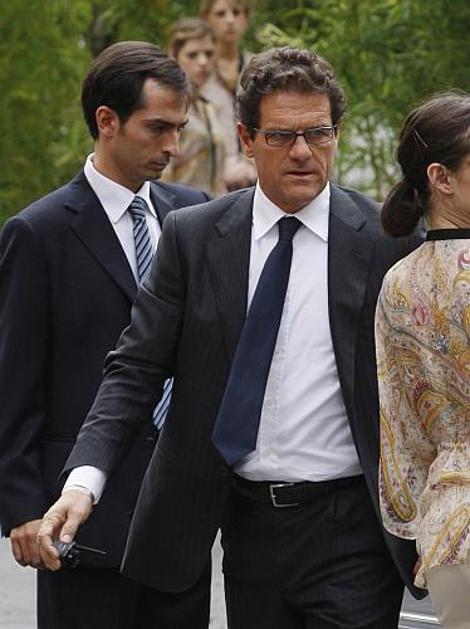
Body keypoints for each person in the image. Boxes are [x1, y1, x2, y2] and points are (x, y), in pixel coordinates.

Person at [39, 47, 421, 628]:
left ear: (337, 133)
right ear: (246, 138)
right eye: (281, 136)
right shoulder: (194, 237)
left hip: (352, 530)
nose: (302, 152)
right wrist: (84, 481)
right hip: (247, 529)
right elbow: (135, 369)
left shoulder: (384, 240)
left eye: (318, 133)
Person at [0, 41, 211, 629]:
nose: (172, 146)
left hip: (180, 518)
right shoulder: (38, 232)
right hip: (78, 519)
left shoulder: (193, 215)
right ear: (107, 121)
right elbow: (14, 381)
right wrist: (21, 506)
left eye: (179, 128)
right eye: (157, 128)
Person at [376, 92, 470, 629]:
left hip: (448, 529)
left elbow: (401, 430)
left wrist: (422, 527)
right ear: (442, 177)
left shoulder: (398, 281)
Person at [162, 18, 227, 197]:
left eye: (209, 54)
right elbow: (161, 175)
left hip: (213, 205)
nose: (203, 61)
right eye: (192, 55)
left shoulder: (208, 107)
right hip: (178, 206)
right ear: (175, 57)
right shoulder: (166, 108)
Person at [200, 0, 257, 190]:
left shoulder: (258, 66)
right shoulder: (197, 69)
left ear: (246, 18)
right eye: (221, 14)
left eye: (236, 12)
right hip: (209, 179)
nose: (230, 20)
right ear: (206, 18)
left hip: (256, 177)